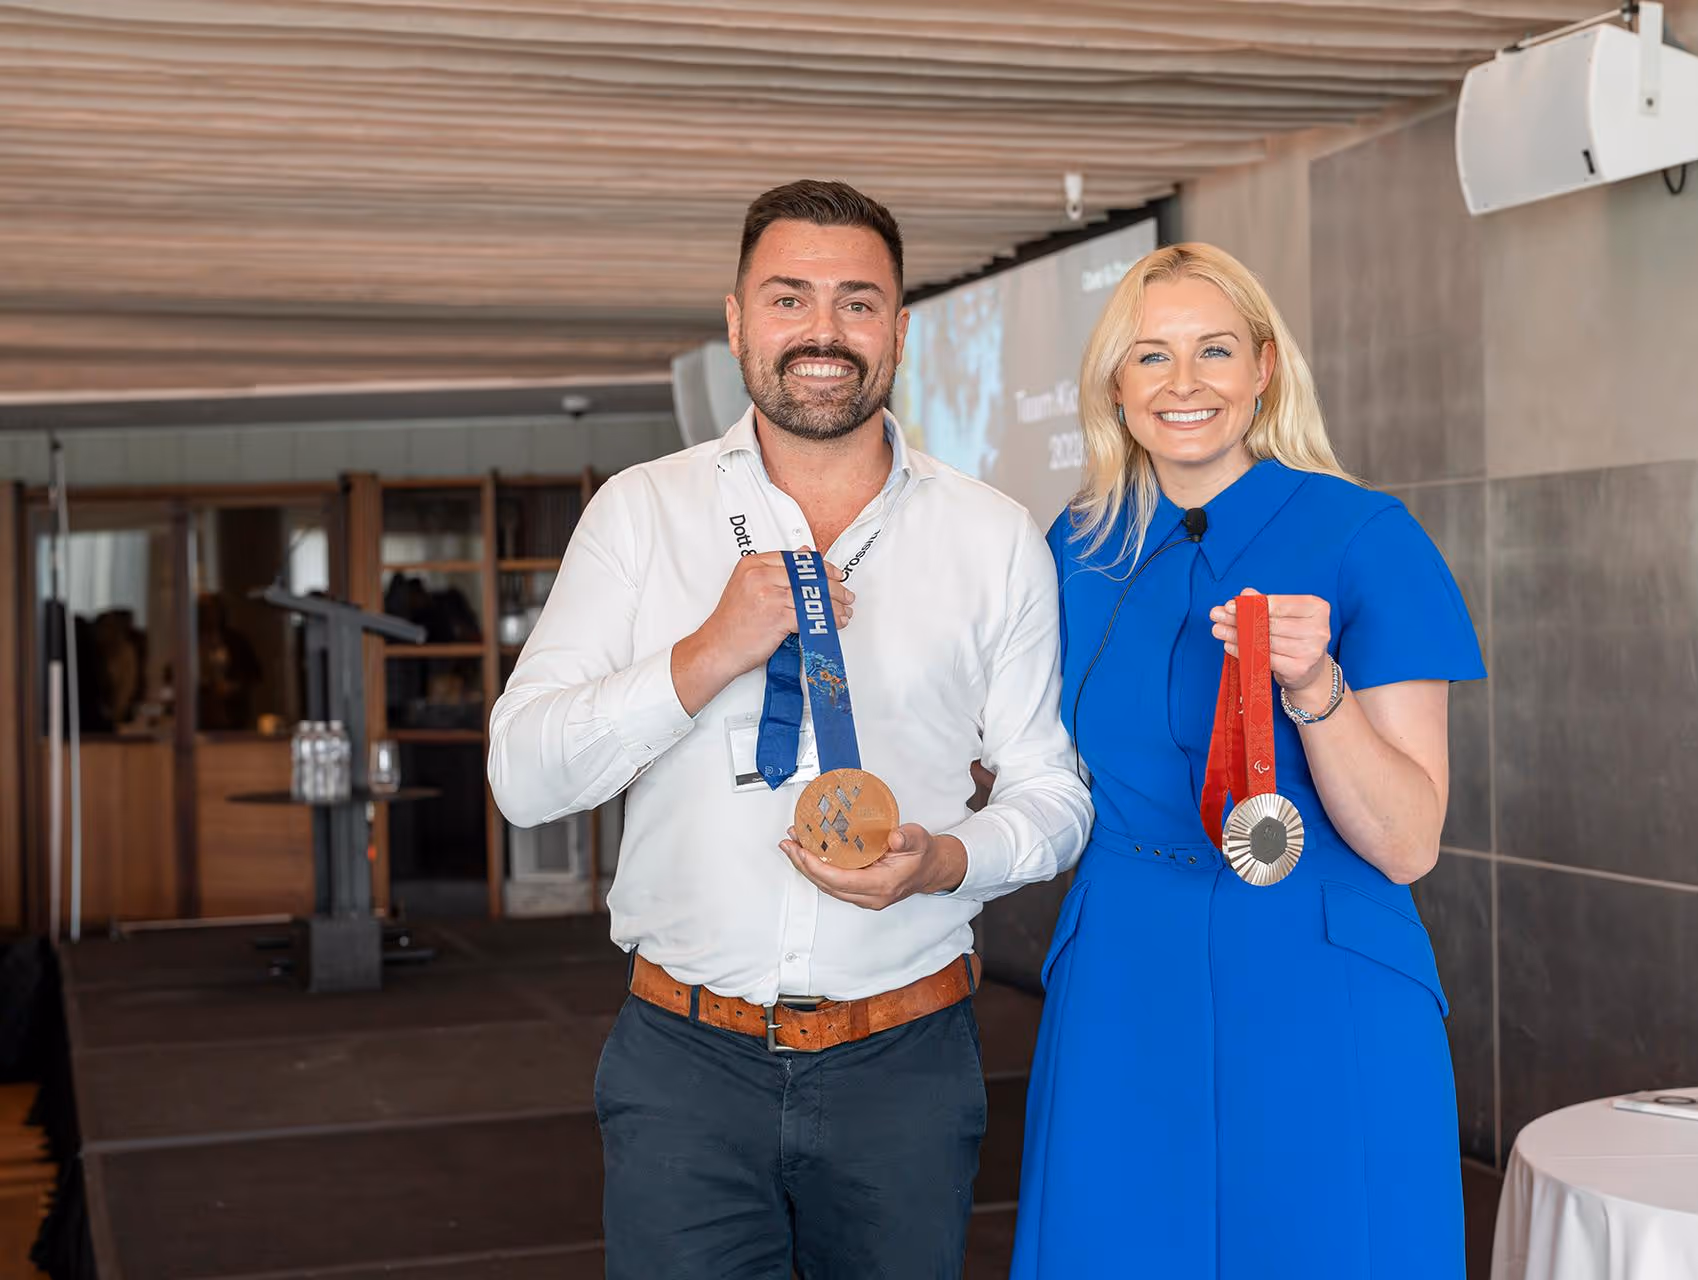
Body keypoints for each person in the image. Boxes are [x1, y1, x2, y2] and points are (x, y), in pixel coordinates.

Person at [487, 179, 1092, 1280]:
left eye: (858, 302)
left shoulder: (993, 537)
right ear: (735, 321)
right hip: (682, 1067)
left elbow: (1053, 792)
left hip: (905, 1065)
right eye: (788, 298)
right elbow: (524, 776)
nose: (823, 331)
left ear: (901, 329)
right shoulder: (640, 512)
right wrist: (710, 647)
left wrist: (944, 861)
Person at [1011, 244, 1484, 1279]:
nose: (1185, 384)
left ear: (1263, 367)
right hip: (1124, 972)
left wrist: (1317, 691)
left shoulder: (1367, 537)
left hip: (1318, 966)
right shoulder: (1076, 545)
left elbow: (1409, 838)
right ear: (1115, 387)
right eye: (1152, 357)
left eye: (1215, 350)